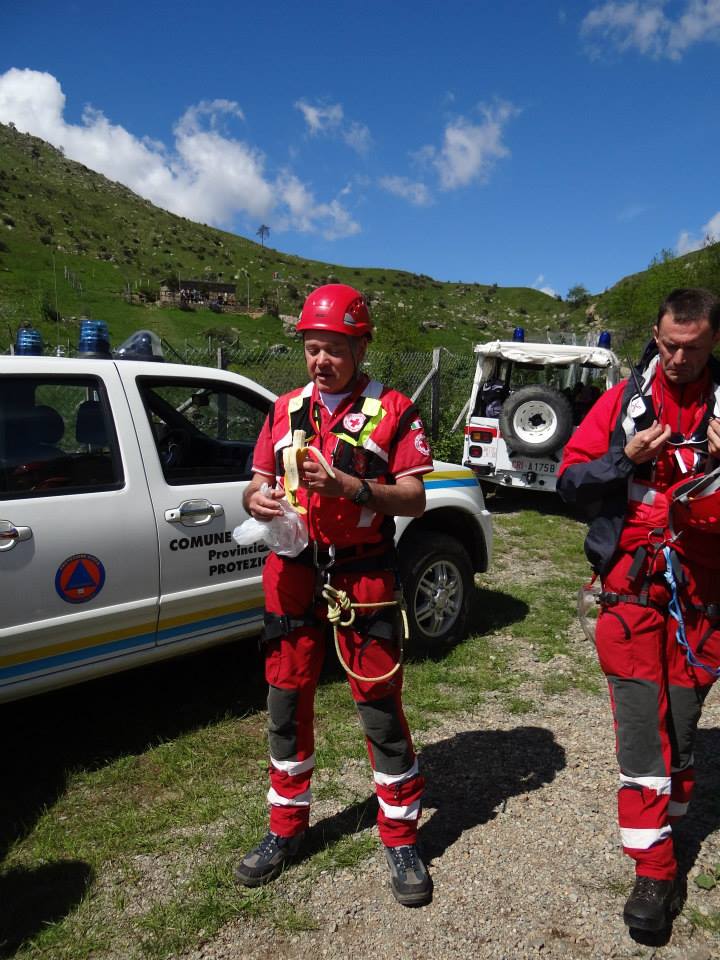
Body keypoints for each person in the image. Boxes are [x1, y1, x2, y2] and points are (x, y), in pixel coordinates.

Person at [233, 283, 434, 906]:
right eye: (313, 348)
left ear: (361, 347)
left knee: (378, 703)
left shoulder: (394, 409)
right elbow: (254, 484)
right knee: (285, 700)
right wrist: (257, 501)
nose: (321, 360)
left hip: (362, 574)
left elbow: (415, 498)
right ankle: (285, 827)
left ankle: (400, 837)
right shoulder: (284, 408)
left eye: (335, 349)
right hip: (292, 572)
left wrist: (351, 487)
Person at [557, 287, 720, 933]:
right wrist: (623, 458)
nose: (678, 359)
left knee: (680, 728)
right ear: (655, 335)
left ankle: (670, 836)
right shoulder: (621, 402)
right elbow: (570, 481)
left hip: (703, 602)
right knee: (641, 734)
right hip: (628, 594)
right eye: (669, 345)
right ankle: (653, 872)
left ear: (713, 343)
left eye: (693, 349)